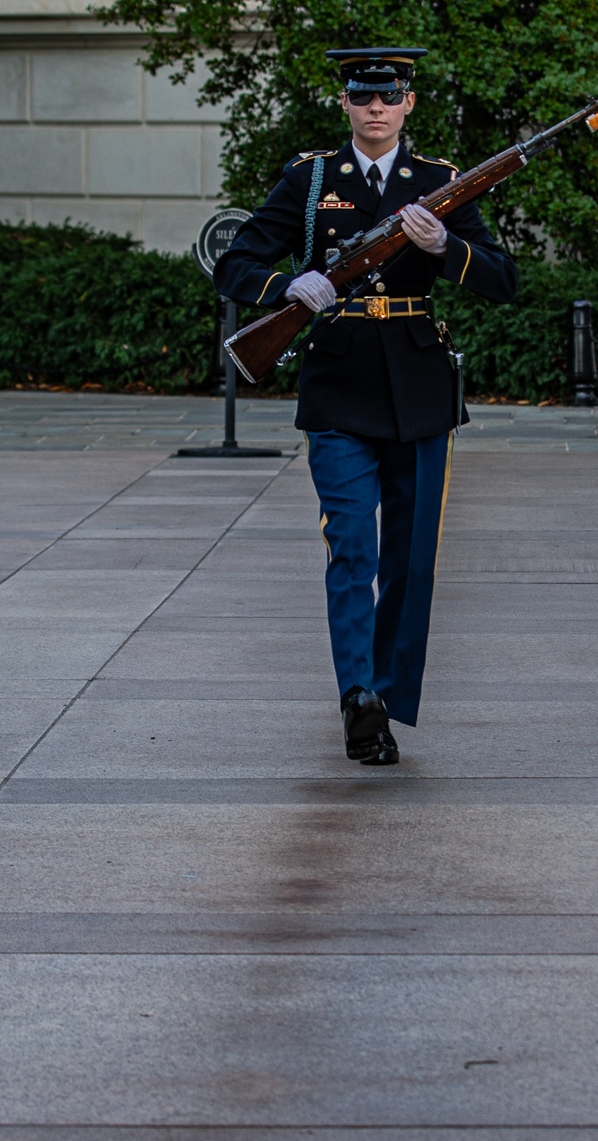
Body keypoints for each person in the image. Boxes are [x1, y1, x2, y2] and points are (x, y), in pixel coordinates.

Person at [215, 46, 517, 766]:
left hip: (417, 381)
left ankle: (384, 696)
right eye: (362, 96)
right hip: (340, 379)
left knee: (410, 562)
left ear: (409, 104)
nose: (376, 108)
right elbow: (237, 262)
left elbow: (503, 279)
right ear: (345, 104)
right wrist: (290, 287)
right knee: (353, 547)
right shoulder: (311, 177)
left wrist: (446, 245)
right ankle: (358, 697)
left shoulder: (442, 182)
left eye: (389, 96)